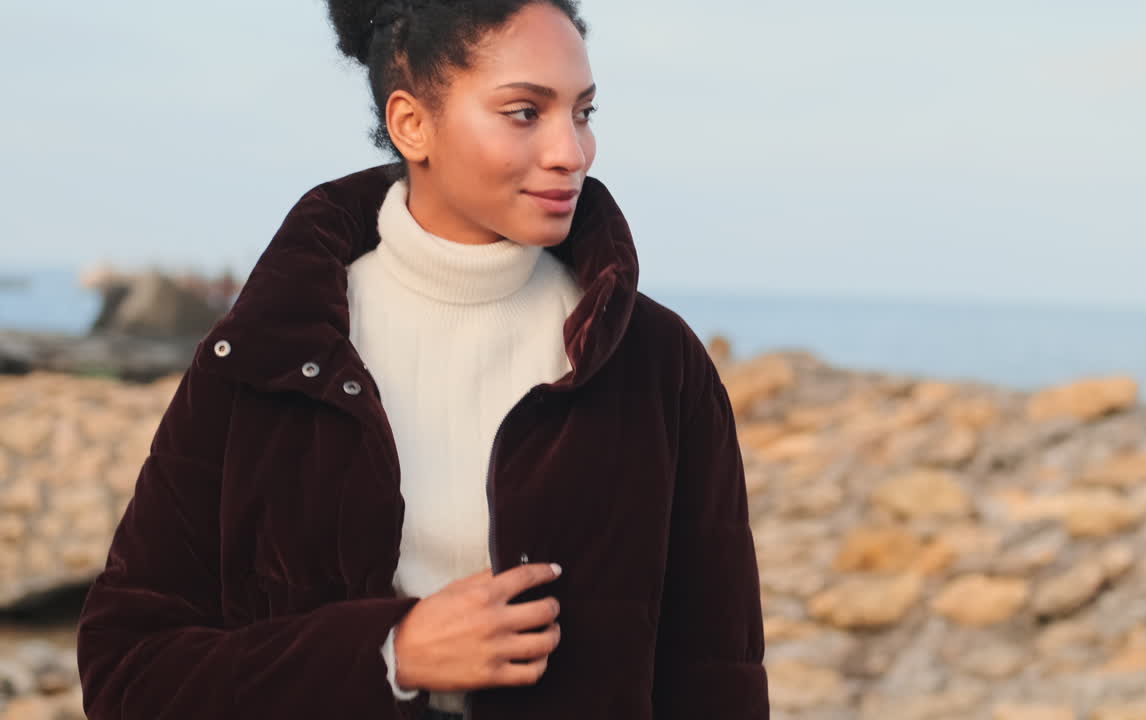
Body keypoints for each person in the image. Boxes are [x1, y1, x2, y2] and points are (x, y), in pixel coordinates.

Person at [76, 1, 768, 719]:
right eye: (525, 112)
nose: (573, 152)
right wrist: (388, 655)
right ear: (411, 124)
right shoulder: (269, 354)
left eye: (583, 113)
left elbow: (719, 683)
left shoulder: (656, 364)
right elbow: (128, 669)